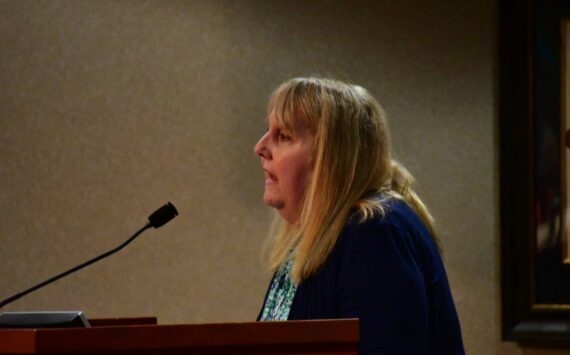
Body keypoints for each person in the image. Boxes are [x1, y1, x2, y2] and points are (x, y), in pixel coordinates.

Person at [254, 77, 464, 354]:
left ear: (332, 156)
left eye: (283, 136)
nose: (260, 148)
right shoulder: (311, 243)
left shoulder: (374, 233)